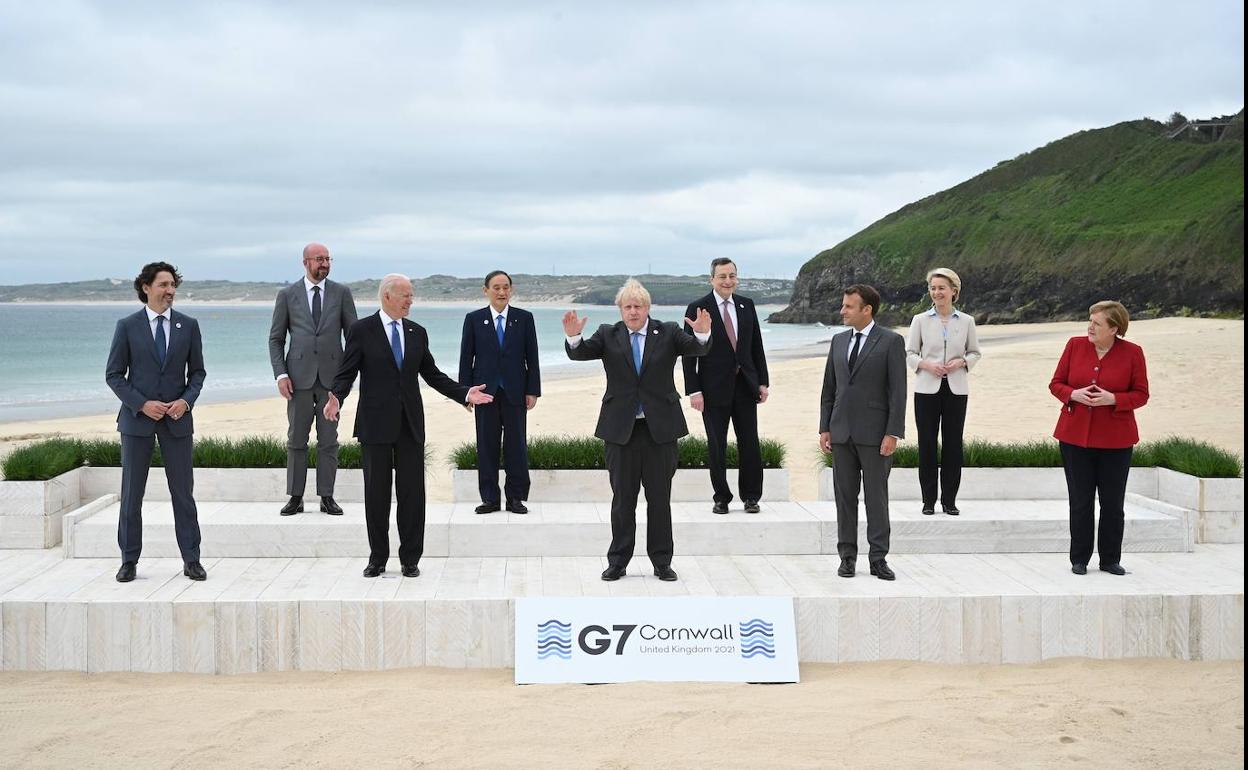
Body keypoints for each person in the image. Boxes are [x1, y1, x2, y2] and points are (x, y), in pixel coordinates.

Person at [324, 274, 493, 578]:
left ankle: (410, 559)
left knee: (413, 495)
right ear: (387, 296)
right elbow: (346, 372)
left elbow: (432, 374)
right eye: (405, 295)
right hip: (375, 424)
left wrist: (465, 393)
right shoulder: (362, 330)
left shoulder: (417, 332)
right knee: (376, 495)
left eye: (412, 296)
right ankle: (377, 558)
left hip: (410, 424)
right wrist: (336, 396)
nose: (410, 301)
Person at [563, 279, 712, 582]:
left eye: (638, 306)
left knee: (659, 500)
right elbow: (580, 353)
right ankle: (618, 561)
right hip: (621, 431)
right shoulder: (608, 333)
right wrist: (574, 336)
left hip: (661, 430)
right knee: (623, 501)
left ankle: (661, 562)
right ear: (620, 309)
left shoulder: (668, 331)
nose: (633, 312)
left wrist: (702, 331)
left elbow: (698, 348)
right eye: (627, 307)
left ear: (648, 308)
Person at [105, 262, 207, 583]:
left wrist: (186, 401)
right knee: (132, 494)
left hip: (178, 422)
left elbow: (198, 374)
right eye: (163, 285)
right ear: (146, 288)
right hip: (137, 423)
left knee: (183, 495)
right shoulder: (127, 326)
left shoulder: (188, 326)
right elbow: (114, 375)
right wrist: (142, 404)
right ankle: (128, 561)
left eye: (173, 285)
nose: (170, 291)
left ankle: (192, 560)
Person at [1049, 300, 1149, 576]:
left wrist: (1113, 399)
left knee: (1113, 504)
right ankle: (1079, 559)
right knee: (1080, 502)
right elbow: (1056, 383)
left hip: (1117, 440)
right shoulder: (1074, 345)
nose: (1089, 327)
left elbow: (1141, 394)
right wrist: (1073, 394)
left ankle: (1110, 560)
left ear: (1114, 328)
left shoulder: (1133, 353)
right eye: (1089, 321)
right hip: (1074, 437)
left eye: (1096, 323)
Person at [818, 284, 906, 581]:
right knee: (844, 498)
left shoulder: (891, 341)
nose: (842, 311)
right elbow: (829, 389)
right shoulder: (838, 341)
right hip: (841, 433)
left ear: (867, 310)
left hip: (875, 434)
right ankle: (847, 558)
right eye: (843, 305)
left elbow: (898, 393)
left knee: (876, 499)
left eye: (848, 307)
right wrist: (825, 427)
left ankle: (878, 558)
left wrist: (893, 432)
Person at [268, 242, 358, 517]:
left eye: (328, 259)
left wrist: (346, 379)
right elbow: (276, 339)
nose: (325, 264)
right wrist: (281, 374)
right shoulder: (287, 295)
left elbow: (353, 337)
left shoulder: (341, 293)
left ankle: (327, 497)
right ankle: (295, 497)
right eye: (319, 259)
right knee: (296, 439)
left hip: (332, 381)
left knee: (329, 440)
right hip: (297, 380)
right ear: (305, 262)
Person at [683, 258, 770, 514]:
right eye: (722, 276)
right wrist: (694, 390)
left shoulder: (746, 305)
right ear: (712, 279)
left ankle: (751, 497)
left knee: (750, 443)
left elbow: (756, 345)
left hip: (745, 386)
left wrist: (762, 381)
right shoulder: (698, 308)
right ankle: (721, 497)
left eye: (732, 276)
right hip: (712, 390)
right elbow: (688, 354)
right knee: (717, 445)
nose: (728, 281)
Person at [458, 270, 541, 514]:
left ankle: (516, 498)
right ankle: (490, 499)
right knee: (486, 446)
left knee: (516, 446)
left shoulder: (524, 318)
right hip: (484, 393)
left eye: (506, 287)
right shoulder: (474, 319)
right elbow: (466, 358)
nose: (502, 292)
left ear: (511, 290)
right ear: (486, 291)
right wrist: (464, 393)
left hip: (515, 391)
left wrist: (533, 390)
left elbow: (532, 358)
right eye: (496, 287)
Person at [905, 267, 981, 516]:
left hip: (957, 390)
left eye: (941, 288)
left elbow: (975, 352)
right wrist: (928, 365)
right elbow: (910, 353)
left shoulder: (967, 321)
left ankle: (949, 500)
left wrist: (962, 362)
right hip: (926, 389)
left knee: (952, 445)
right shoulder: (920, 320)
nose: (936, 292)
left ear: (953, 291)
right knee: (926, 444)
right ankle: (928, 501)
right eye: (933, 288)